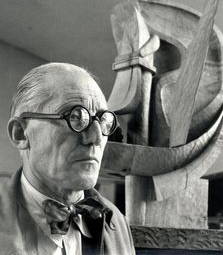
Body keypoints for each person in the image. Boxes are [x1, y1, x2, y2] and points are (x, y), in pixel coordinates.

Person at [0, 62, 135, 255]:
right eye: (76, 117)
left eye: (103, 120)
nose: (96, 138)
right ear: (21, 133)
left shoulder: (117, 222)